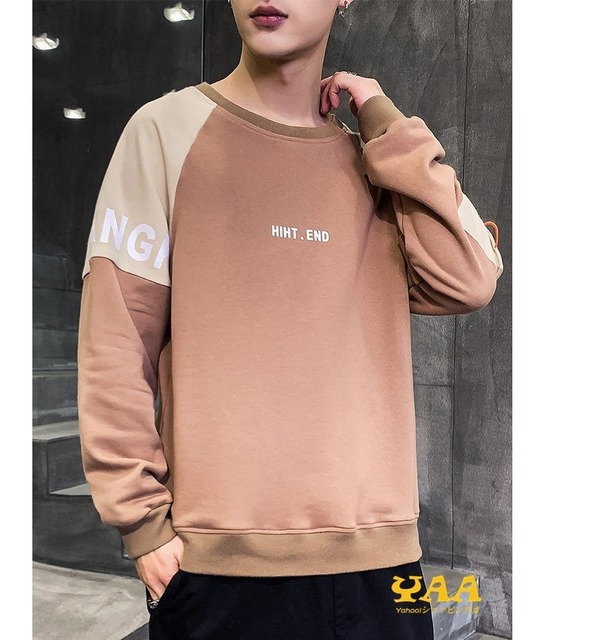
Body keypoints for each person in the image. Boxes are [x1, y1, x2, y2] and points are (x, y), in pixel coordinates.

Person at [77, 0, 504, 638]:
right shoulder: (166, 132)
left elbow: (470, 276)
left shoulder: (378, 164)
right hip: (217, 565)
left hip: (384, 562)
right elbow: (116, 340)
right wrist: (143, 526)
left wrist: (385, 122)